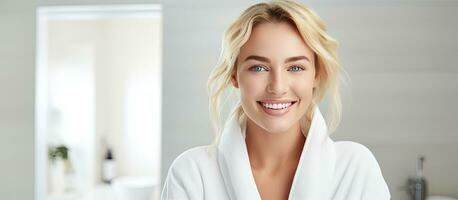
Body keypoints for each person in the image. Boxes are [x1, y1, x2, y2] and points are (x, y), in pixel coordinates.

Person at [161, 0, 391, 199]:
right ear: (234, 76)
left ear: (316, 74)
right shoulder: (193, 173)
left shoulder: (356, 169)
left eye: (295, 67)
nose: (278, 87)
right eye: (259, 67)